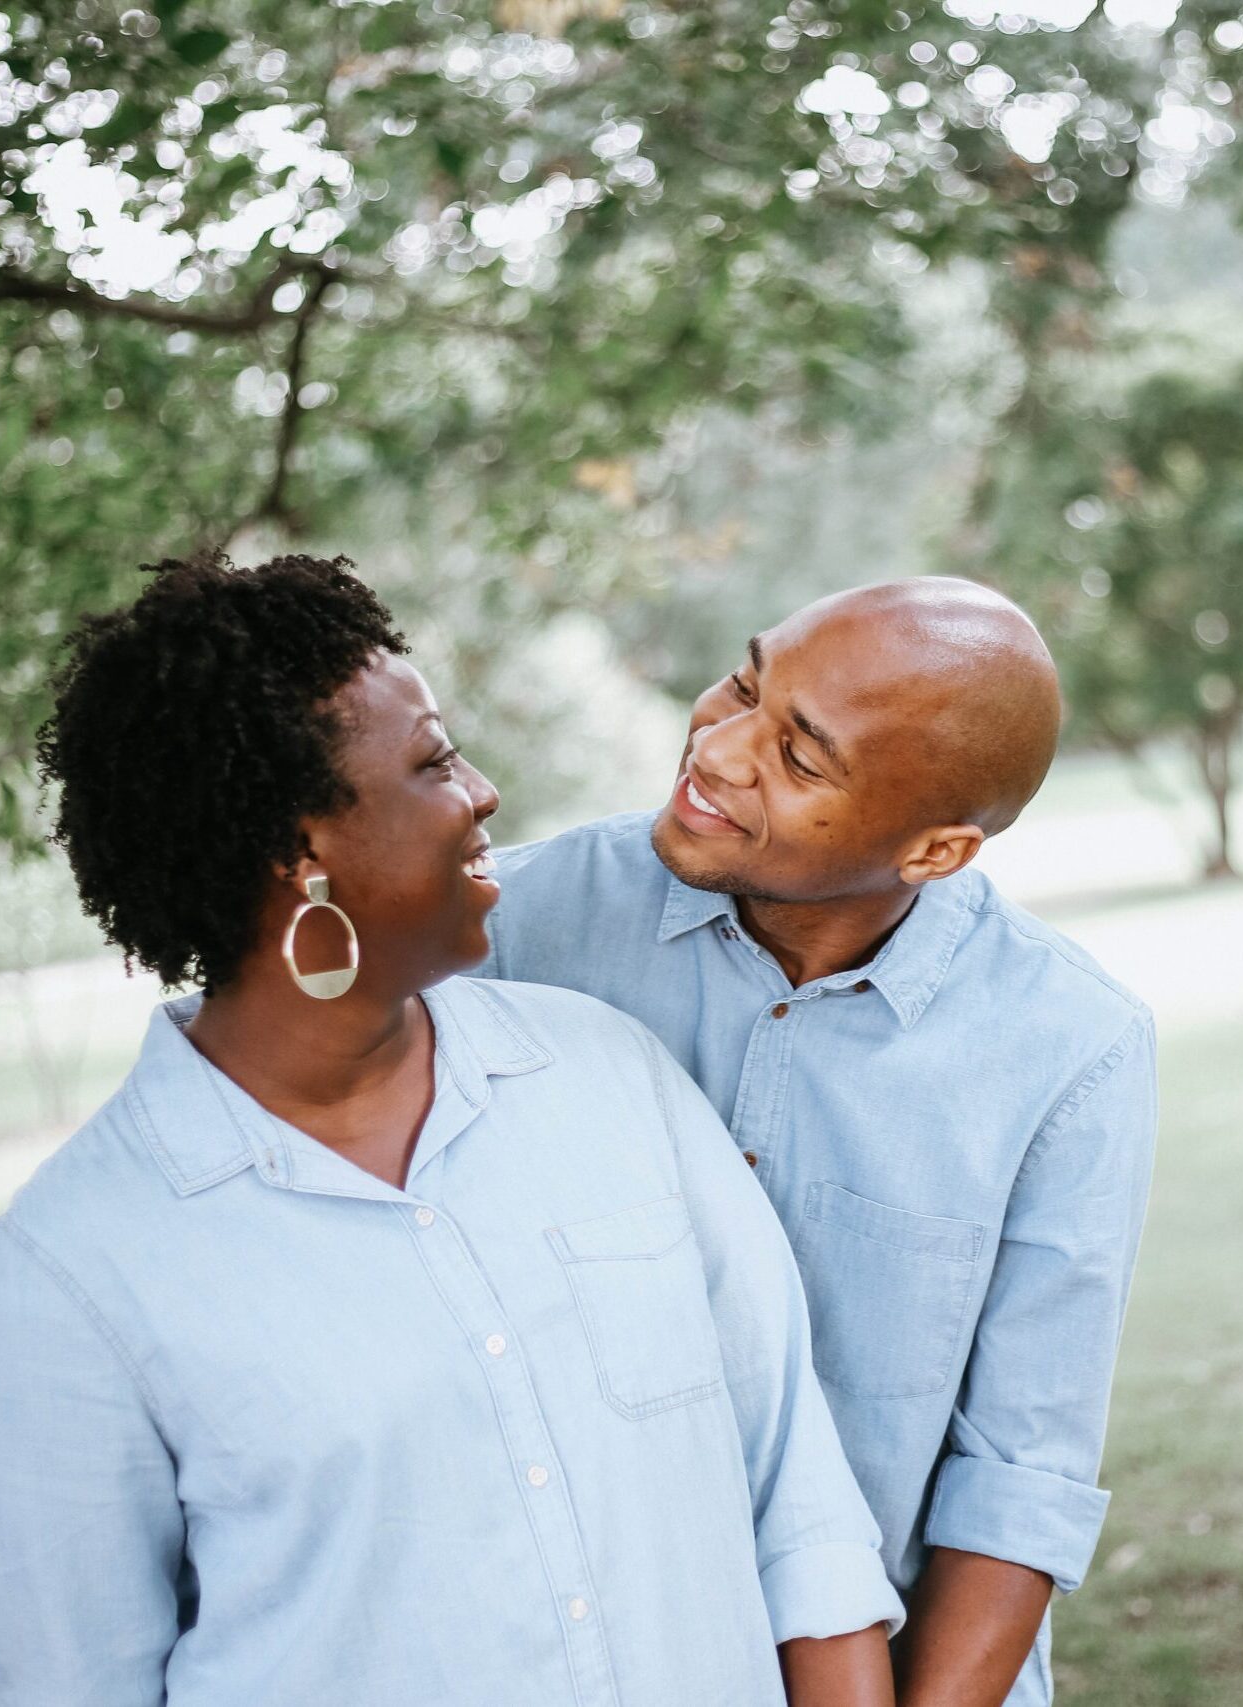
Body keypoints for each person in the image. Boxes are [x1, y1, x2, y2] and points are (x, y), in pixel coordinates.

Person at [0, 553, 900, 1707]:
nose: (483, 790)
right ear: (301, 854)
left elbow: (802, 1522)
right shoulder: (64, 1281)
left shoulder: (610, 1079)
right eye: (434, 760)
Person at [476, 577, 1158, 1706]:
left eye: (799, 759)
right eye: (745, 684)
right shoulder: (506, 936)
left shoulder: (1070, 1048)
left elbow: (1018, 1476)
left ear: (935, 853)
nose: (719, 748)